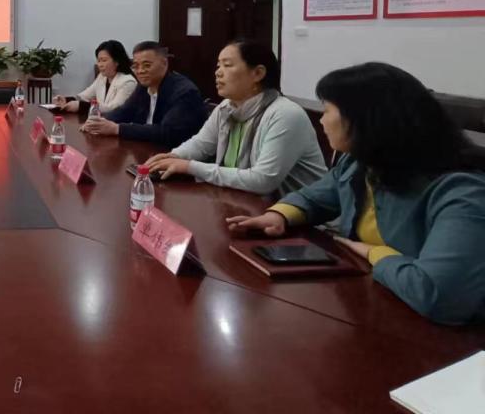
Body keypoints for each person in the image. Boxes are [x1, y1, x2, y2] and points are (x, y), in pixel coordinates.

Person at [228, 62, 485, 325]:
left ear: (364, 119)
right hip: (379, 303)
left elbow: (439, 297)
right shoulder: (360, 163)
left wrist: (375, 253)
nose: (321, 120)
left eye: (327, 110)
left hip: (444, 336)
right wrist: (279, 216)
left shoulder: (462, 192)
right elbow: (314, 197)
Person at [144, 39, 325, 195]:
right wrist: (173, 156)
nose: (218, 72)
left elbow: (262, 180)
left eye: (228, 65)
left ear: (258, 73)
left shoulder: (285, 114)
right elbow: (201, 144)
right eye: (218, 66)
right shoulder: (227, 107)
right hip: (243, 201)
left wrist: (188, 166)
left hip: (300, 217)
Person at [81, 41, 207, 147]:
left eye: (147, 65)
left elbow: (167, 132)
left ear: (164, 63)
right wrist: (98, 122)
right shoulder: (144, 86)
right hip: (146, 147)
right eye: (136, 66)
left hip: (174, 154)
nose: (140, 71)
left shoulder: (184, 92)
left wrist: (117, 129)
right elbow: (124, 111)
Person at [53, 40, 136, 115]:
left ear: (117, 61)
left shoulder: (128, 82)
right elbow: (85, 96)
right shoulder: (102, 77)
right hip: (102, 121)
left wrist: (81, 106)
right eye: (98, 61)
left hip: (119, 124)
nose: (100, 65)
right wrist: (67, 100)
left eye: (104, 60)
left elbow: (114, 108)